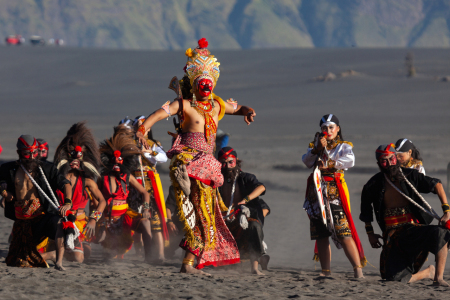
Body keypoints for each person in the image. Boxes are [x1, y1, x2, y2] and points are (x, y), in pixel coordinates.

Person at [136, 38, 256, 274]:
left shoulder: (217, 105)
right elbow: (161, 113)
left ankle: (188, 262)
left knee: (206, 216)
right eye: (201, 83)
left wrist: (248, 111)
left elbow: (238, 108)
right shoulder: (186, 105)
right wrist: (143, 128)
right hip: (187, 162)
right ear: (195, 83)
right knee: (197, 210)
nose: (206, 87)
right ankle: (187, 261)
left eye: (209, 83)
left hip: (207, 165)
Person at [360, 144, 450, 286]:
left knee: (441, 233)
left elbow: (437, 185)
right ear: (379, 164)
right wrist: (370, 233)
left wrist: (447, 211)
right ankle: (428, 272)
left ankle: (438, 278)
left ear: (396, 158)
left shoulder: (410, 175)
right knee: (393, 280)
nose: (389, 163)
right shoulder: (373, 184)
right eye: (384, 161)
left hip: (413, 229)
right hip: (393, 235)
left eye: (391, 159)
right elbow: (366, 211)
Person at [302, 114, 366, 278]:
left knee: (343, 231)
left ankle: (357, 269)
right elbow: (307, 161)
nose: (328, 131)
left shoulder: (343, 146)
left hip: (334, 191)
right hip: (316, 192)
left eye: (331, 127)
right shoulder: (314, 145)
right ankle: (326, 271)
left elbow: (350, 160)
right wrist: (316, 149)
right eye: (324, 128)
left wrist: (330, 164)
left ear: (337, 129)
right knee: (321, 233)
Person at [0, 135, 71, 270]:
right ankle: (50, 255)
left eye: (34, 152)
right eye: (27, 153)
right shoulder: (8, 169)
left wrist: (67, 203)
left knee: (60, 223)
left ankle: (59, 262)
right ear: (19, 153)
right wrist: (4, 193)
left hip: (42, 216)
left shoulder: (47, 169)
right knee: (18, 261)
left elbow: (65, 184)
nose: (32, 156)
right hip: (22, 222)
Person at [97, 125, 153, 261]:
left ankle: (150, 258)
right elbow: (96, 201)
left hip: (125, 217)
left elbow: (145, 193)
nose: (116, 163)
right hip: (107, 219)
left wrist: (145, 208)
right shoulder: (102, 179)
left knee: (145, 222)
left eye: (119, 160)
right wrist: (95, 218)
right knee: (110, 256)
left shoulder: (128, 177)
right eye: (114, 160)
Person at [53, 122, 107, 262]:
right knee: (76, 256)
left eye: (79, 157)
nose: (76, 161)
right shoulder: (59, 178)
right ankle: (57, 252)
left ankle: (63, 251)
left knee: (83, 256)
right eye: (73, 157)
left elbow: (102, 201)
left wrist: (94, 219)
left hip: (81, 223)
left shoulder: (88, 181)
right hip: (62, 220)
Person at [218, 147, 270, 275]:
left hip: (243, 217)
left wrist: (245, 200)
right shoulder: (216, 180)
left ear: (237, 162)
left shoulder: (246, 178)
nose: (227, 166)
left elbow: (261, 187)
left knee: (254, 226)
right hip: (222, 218)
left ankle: (255, 268)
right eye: (224, 163)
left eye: (231, 162)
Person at [125, 116, 169, 263]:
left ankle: (161, 255)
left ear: (149, 127)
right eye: (138, 125)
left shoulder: (154, 144)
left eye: (145, 125)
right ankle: (139, 253)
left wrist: (147, 152)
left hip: (150, 183)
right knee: (137, 217)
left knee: (155, 219)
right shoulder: (129, 144)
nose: (142, 127)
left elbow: (163, 158)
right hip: (134, 183)